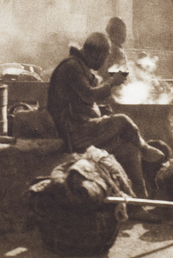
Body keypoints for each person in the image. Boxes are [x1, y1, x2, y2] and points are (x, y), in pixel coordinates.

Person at [47, 32, 166, 221]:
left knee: (128, 150)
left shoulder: (81, 66)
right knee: (122, 121)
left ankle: (137, 206)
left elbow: (84, 99)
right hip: (74, 132)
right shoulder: (71, 67)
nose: (104, 63)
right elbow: (88, 95)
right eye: (104, 57)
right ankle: (145, 149)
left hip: (84, 128)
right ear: (96, 54)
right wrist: (112, 82)